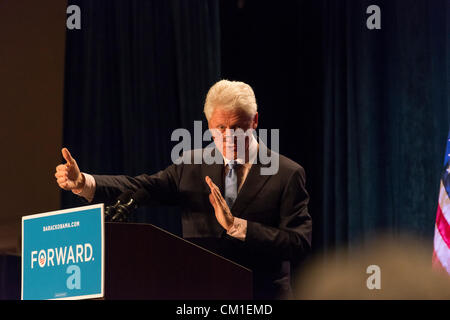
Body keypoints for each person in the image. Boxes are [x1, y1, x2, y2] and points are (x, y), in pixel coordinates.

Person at [54, 79, 312, 299]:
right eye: (220, 128)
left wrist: (238, 227)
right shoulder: (192, 165)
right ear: (209, 125)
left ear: (254, 121)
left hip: (260, 298)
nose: (229, 137)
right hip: (199, 296)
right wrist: (84, 183)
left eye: (237, 128)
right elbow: (141, 186)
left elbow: (298, 242)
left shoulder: (286, 173)